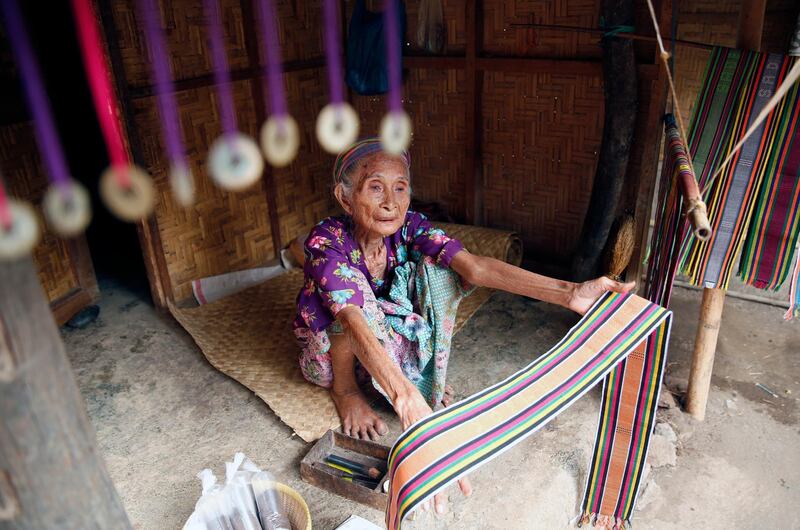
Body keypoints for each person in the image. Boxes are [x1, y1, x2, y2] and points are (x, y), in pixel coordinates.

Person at [293, 138, 634, 513]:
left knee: (442, 271)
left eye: (400, 187)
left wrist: (570, 293)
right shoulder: (327, 240)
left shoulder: (410, 227)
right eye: (375, 187)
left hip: (381, 339)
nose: (391, 201)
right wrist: (406, 401)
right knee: (351, 309)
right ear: (344, 198)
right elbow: (352, 318)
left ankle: (406, 381)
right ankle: (348, 391)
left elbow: (476, 268)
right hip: (333, 349)